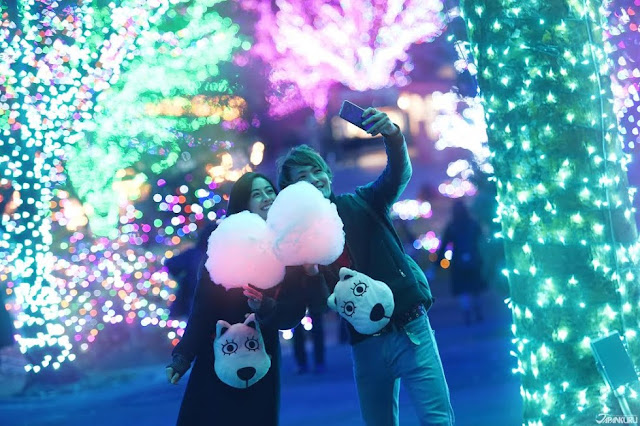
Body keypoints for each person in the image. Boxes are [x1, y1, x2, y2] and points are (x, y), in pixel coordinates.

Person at [277, 108, 454, 426]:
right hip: (365, 343)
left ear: (328, 174)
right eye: (303, 178)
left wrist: (393, 135)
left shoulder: (362, 201)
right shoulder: (302, 244)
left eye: (317, 171)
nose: (315, 180)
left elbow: (396, 175)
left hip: (410, 327)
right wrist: (309, 273)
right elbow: (319, 305)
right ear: (292, 194)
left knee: (437, 419)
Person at [165, 172, 324, 426]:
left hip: (260, 356)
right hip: (216, 353)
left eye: (269, 191)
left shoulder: (289, 247)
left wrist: (266, 306)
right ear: (243, 204)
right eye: (256, 194)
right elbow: (203, 310)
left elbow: (294, 313)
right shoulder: (224, 244)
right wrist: (182, 357)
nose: (266, 198)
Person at [436, 199, 486, 326]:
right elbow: (482, 242)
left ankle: (467, 313)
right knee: (475, 288)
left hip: (458, 263)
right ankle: (478, 311)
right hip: (474, 260)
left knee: (464, 290)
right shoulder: (473, 224)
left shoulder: (452, 227)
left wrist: (436, 264)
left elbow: (444, 246)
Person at [165, 222, 216, 318]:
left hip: (192, 303)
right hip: (209, 304)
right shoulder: (220, 256)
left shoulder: (193, 254)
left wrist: (181, 278)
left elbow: (170, 263)